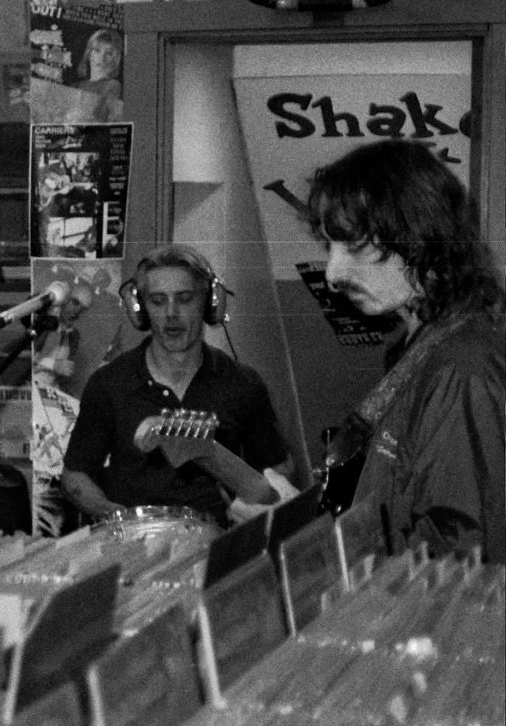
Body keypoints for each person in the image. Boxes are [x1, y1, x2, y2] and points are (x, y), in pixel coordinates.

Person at [307, 139, 504, 562]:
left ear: (419, 235)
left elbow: (459, 555)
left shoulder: (461, 368)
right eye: (329, 247)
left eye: (355, 246)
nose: (333, 273)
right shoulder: (417, 348)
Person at [62, 244, 295, 526]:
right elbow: (75, 475)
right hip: (136, 546)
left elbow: (279, 467)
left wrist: (253, 498)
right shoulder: (109, 383)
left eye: (184, 299)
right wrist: (115, 515)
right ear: (141, 309)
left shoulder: (242, 383)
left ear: (209, 303)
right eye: (158, 301)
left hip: (217, 546)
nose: (171, 313)